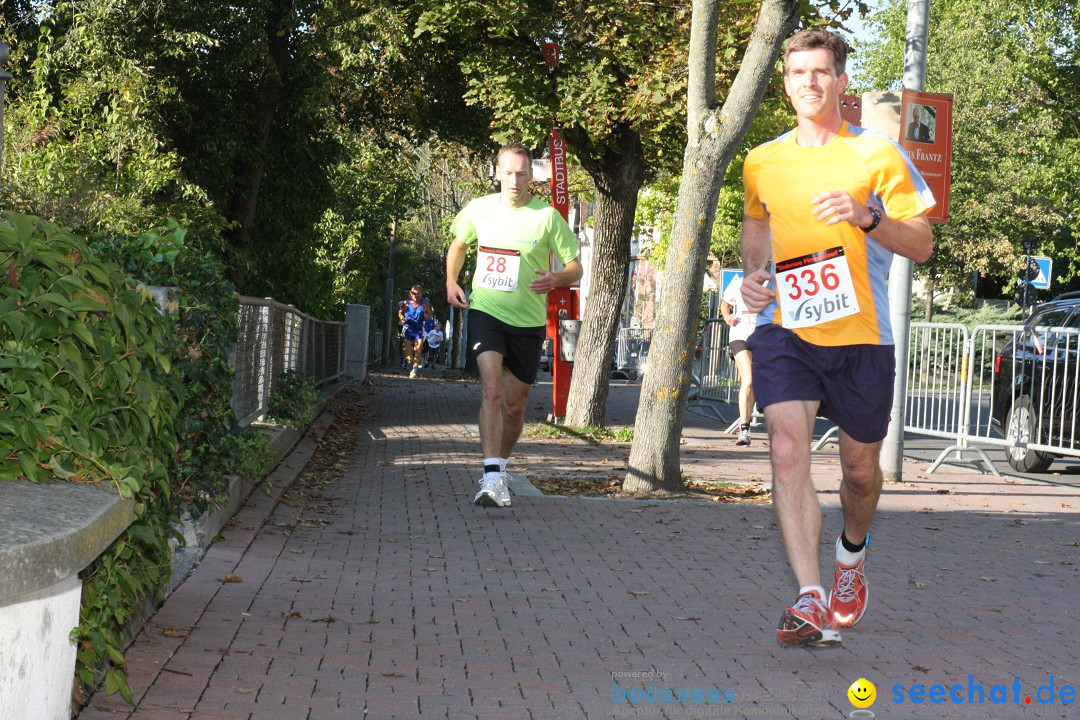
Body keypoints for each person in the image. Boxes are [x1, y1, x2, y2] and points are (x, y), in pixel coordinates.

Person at [739, 28, 934, 648]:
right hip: (786, 330)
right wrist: (753, 275)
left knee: (858, 472)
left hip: (862, 336)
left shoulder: (876, 155)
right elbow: (755, 223)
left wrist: (867, 217)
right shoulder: (764, 159)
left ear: (841, 82)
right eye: (798, 73)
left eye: (821, 72)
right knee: (788, 449)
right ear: (786, 82)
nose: (809, 83)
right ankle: (809, 595)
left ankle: (851, 557)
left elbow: (924, 243)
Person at [446, 142, 583, 508]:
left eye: (521, 173)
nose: (514, 180)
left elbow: (576, 267)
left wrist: (556, 278)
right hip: (487, 312)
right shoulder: (479, 209)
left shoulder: (547, 216)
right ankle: (490, 477)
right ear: (497, 174)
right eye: (507, 172)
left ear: (530, 177)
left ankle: (499, 468)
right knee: (491, 390)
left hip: (528, 321)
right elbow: (459, 245)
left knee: (515, 407)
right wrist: (451, 281)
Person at [720, 274, 757, 446]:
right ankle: (744, 428)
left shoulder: (773, 283)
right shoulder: (738, 282)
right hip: (739, 335)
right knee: (748, 380)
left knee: (753, 383)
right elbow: (725, 304)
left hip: (761, 336)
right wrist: (727, 317)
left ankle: (745, 426)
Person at [399, 285, 432, 378]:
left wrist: (427, 316)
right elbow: (400, 312)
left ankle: (414, 370)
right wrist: (402, 318)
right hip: (408, 328)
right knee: (407, 351)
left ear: (421, 294)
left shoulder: (424, 303)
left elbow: (429, 314)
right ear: (410, 293)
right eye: (413, 293)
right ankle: (409, 362)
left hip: (419, 329)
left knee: (418, 350)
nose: (415, 296)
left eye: (417, 294)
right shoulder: (406, 303)